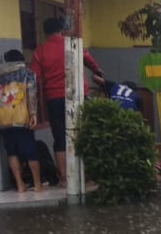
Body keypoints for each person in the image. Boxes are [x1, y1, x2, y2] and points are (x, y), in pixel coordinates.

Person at [29, 17, 105, 185]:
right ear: (61, 30)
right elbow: (91, 62)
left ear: (45, 32)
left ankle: (64, 178)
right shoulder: (72, 44)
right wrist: (98, 72)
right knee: (82, 133)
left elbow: (32, 79)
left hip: (54, 98)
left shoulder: (40, 51)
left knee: (60, 137)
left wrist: (33, 107)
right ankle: (86, 175)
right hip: (78, 95)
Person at [0, 50, 42, 192]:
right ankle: (37, 184)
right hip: (21, 118)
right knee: (31, 150)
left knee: (12, 152)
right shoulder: (27, 73)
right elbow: (31, 94)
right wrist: (33, 114)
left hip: (4, 119)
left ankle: (20, 185)